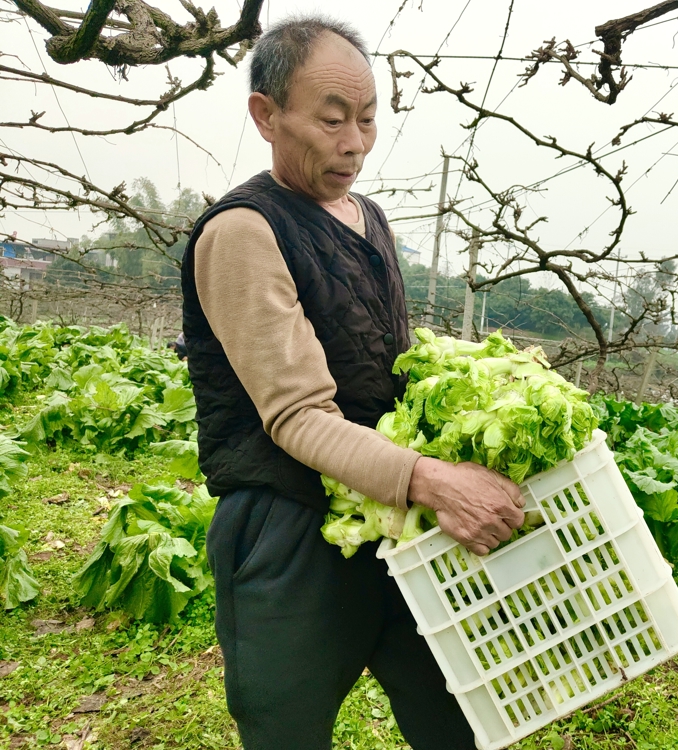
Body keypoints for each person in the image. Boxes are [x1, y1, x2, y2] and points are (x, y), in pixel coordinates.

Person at [180, 18, 525, 750]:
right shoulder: (243, 232)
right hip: (291, 525)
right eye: (332, 120)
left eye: (367, 121)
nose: (355, 143)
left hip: (394, 516)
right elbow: (298, 417)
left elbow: (385, 362)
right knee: (288, 731)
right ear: (266, 116)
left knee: (457, 716)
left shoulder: (369, 218)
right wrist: (433, 481)